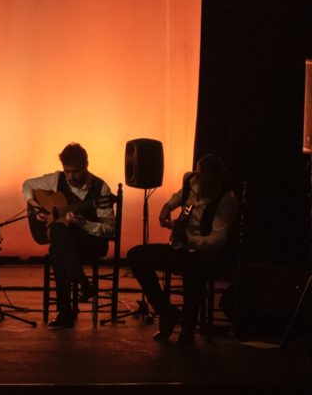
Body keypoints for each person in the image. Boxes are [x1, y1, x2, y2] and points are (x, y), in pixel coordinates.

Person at [126, 154, 237, 346]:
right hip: (182, 248)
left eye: (208, 179)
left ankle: (187, 328)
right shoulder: (191, 180)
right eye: (200, 177)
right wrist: (167, 207)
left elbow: (218, 240)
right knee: (136, 255)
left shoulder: (226, 199)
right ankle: (166, 311)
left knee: (193, 267)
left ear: (218, 179)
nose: (202, 183)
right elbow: (179, 195)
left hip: (206, 253)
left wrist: (191, 240)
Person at [22, 143, 116, 328]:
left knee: (57, 245)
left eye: (75, 171)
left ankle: (66, 313)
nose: (70, 177)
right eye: (67, 172)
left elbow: (110, 229)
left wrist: (84, 223)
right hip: (67, 242)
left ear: (86, 165)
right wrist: (35, 205)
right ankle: (81, 282)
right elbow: (27, 185)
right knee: (58, 243)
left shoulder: (101, 189)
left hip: (91, 242)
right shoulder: (57, 179)